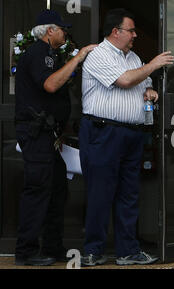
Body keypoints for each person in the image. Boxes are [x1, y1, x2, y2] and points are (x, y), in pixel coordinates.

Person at [79, 8, 173, 266]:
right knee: (101, 193)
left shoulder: (133, 57)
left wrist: (151, 90)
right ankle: (93, 251)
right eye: (130, 30)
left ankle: (127, 251)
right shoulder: (98, 55)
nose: (134, 35)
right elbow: (124, 81)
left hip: (132, 133)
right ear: (115, 32)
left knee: (129, 195)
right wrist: (153, 65)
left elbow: (140, 83)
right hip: (104, 131)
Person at [14, 9, 97, 266]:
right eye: (62, 29)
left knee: (56, 190)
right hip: (37, 133)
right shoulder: (38, 53)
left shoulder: (49, 54)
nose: (65, 33)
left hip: (49, 135)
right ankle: (26, 251)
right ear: (50, 31)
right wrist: (79, 57)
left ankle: (52, 246)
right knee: (38, 190)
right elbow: (50, 85)